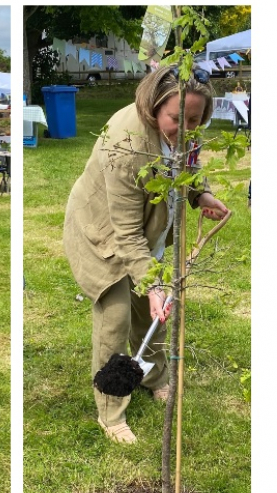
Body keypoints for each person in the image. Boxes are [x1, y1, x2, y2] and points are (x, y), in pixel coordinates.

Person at [63, 65, 229, 444]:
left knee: (151, 314)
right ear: (154, 105)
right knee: (117, 316)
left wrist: (198, 193)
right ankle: (111, 409)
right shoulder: (127, 145)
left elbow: (187, 164)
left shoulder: (186, 129)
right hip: (101, 231)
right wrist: (152, 284)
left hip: (143, 230)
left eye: (195, 119)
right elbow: (125, 231)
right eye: (176, 118)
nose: (186, 128)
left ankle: (154, 377)